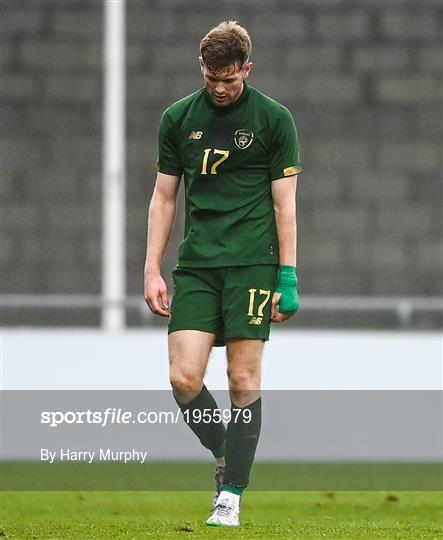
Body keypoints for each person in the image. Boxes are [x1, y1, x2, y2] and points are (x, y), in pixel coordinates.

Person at [144, 20, 302, 527]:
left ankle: (230, 496)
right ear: (201, 67)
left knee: (241, 377)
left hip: (253, 262)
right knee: (183, 377)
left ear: (247, 70)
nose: (220, 86)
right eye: (213, 76)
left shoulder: (274, 119)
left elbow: (286, 205)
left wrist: (288, 276)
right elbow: (164, 196)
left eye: (230, 78)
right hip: (197, 264)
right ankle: (226, 452)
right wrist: (152, 267)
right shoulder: (177, 118)